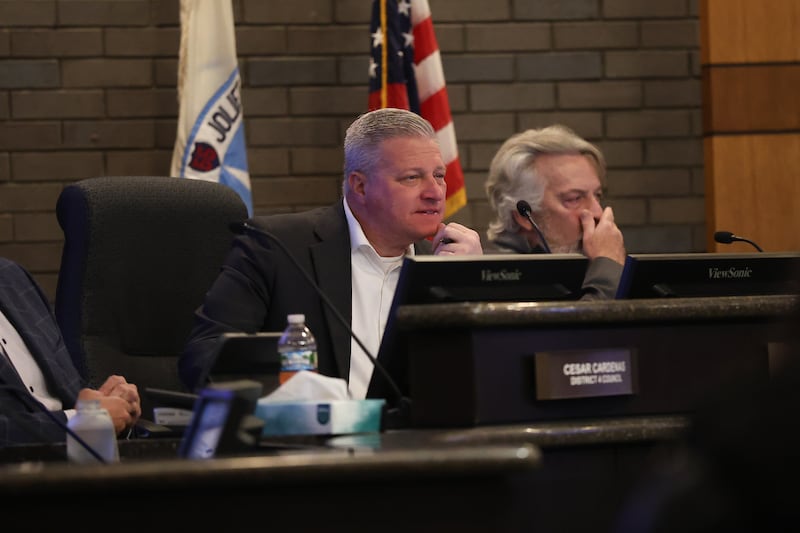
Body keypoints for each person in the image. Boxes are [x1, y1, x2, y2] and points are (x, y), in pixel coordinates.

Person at [179, 107, 483, 399]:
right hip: (309, 444)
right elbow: (204, 358)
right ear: (360, 186)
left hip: (417, 444)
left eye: (439, 175)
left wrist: (474, 285)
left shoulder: (443, 265)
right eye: (411, 178)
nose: (434, 192)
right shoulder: (277, 248)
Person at [0, 257, 141, 447]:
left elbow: (71, 391)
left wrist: (114, 406)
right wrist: (82, 424)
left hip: (85, 463)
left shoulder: (12, 277)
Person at [484, 124, 626, 299]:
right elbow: (579, 326)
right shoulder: (499, 278)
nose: (598, 213)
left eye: (597, 195)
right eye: (575, 199)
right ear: (524, 216)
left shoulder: (583, 264)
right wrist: (608, 265)